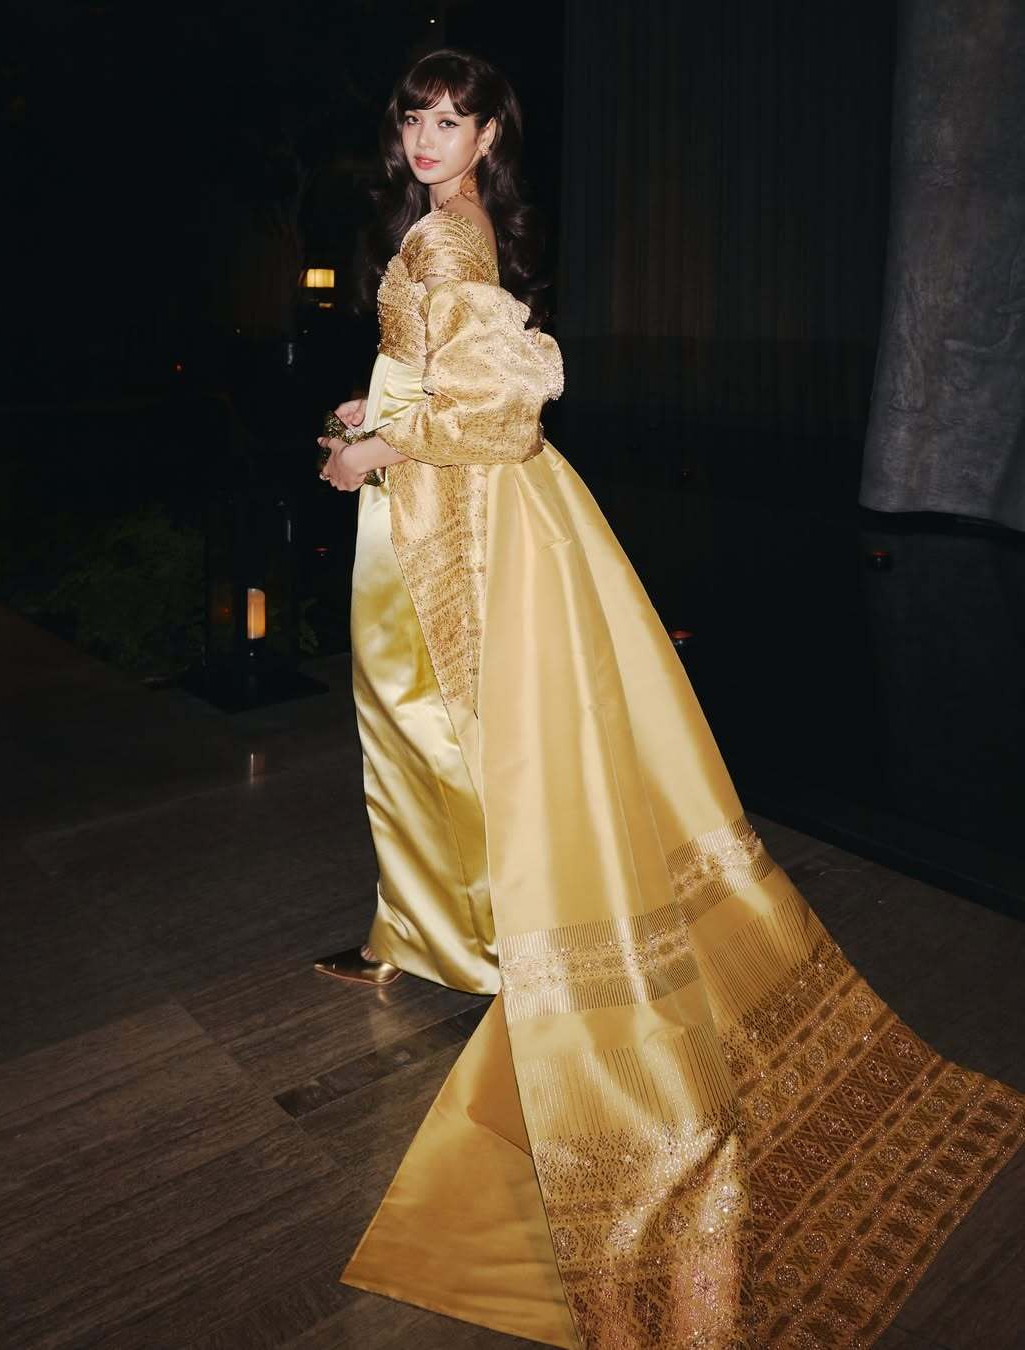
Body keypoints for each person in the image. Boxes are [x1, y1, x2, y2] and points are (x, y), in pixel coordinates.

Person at [312, 48, 1025, 1350]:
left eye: (453, 120)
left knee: (473, 739)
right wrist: (386, 403)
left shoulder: (455, 239)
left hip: (478, 522)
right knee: (449, 737)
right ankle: (430, 932)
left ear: (488, 138)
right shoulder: (439, 227)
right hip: (451, 510)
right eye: (416, 116)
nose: (428, 137)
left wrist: (379, 446)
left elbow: (507, 413)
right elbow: (447, 372)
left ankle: (477, 945)